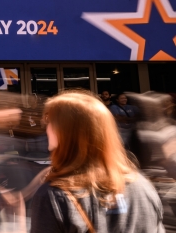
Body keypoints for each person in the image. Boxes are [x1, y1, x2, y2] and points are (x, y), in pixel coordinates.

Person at [31, 91, 164, 233]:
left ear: (66, 132)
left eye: (49, 120)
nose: (45, 126)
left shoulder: (54, 197)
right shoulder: (143, 187)